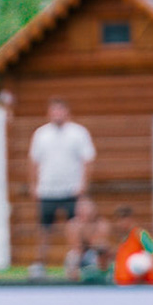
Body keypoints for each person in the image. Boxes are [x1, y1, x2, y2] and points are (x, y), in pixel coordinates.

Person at [28, 98, 96, 277]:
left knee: (76, 228)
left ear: (67, 112)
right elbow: (34, 162)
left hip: (71, 189)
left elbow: (88, 160)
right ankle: (40, 264)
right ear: (49, 113)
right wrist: (33, 185)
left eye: (60, 110)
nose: (57, 114)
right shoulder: (41, 134)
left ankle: (78, 263)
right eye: (54, 111)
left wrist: (83, 185)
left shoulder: (78, 133)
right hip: (47, 189)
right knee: (44, 229)